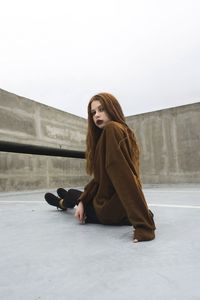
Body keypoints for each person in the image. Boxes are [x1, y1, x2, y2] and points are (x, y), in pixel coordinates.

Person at [45, 92, 156, 242]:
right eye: (93, 112)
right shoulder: (121, 131)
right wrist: (84, 200)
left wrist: (143, 226)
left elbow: (123, 175)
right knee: (82, 197)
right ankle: (70, 200)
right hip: (117, 204)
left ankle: (62, 203)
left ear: (113, 109)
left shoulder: (112, 129)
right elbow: (100, 179)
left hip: (111, 209)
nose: (96, 115)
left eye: (101, 109)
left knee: (73, 194)